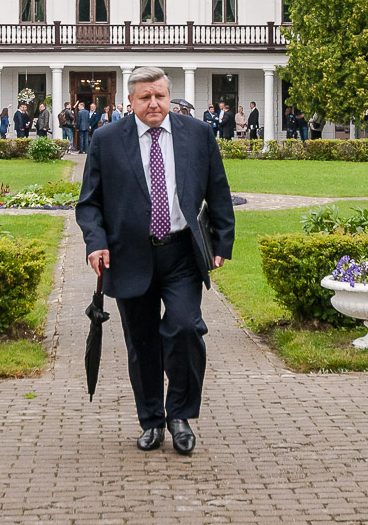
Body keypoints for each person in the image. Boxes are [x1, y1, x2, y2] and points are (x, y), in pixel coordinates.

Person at [76, 65, 235, 456]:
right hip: (130, 256)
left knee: (184, 329)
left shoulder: (197, 134)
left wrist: (223, 241)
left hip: (181, 253)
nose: (154, 103)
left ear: (169, 96)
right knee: (142, 345)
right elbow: (89, 203)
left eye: (160, 95)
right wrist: (95, 243)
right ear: (130, 101)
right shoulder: (107, 139)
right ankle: (151, 421)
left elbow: (218, 189)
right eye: (145, 97)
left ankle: (179, 415)